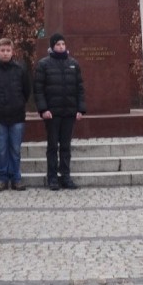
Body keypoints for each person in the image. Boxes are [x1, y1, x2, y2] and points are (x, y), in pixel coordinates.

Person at [34, 33, 86, 190]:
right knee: (52, 146)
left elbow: (80, 89)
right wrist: (43, 109)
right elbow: (39, 90)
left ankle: (65, 176)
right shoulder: (44, 64)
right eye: (58, 44)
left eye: (63, 44)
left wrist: (80, 109)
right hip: (52, 113)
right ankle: (52, 178)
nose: (61, 47)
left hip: (69, 112)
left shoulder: (73, 64)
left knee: (65, 146)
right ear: (52, 46)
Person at [0, 38, 31, 191]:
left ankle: (16, 178)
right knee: (2, 150)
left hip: (17, 116)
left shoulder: (20, 70)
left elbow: (26, 91)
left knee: (15, 149)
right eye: (2, 50)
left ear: (12, 52)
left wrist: (19, 103)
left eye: (8, 50)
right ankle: (2, 178)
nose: (5, 53)